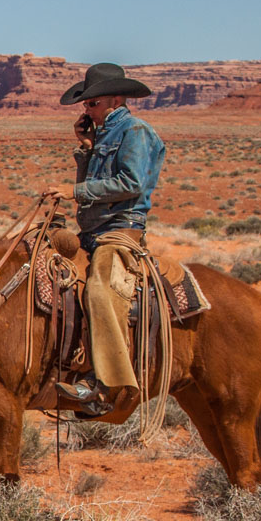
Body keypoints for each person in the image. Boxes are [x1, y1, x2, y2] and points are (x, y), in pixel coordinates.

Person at [56, 62, 167, 418]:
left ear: (116, 99)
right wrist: (86, 150)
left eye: (92, 104)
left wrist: (73, 190)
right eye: (85, 106)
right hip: (91, 233)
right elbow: (95, 187)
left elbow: (131, 184)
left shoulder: (136, 131)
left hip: (119, 232)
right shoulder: (102, 135)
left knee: (100, 290)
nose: (86, 110)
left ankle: (106, 385)